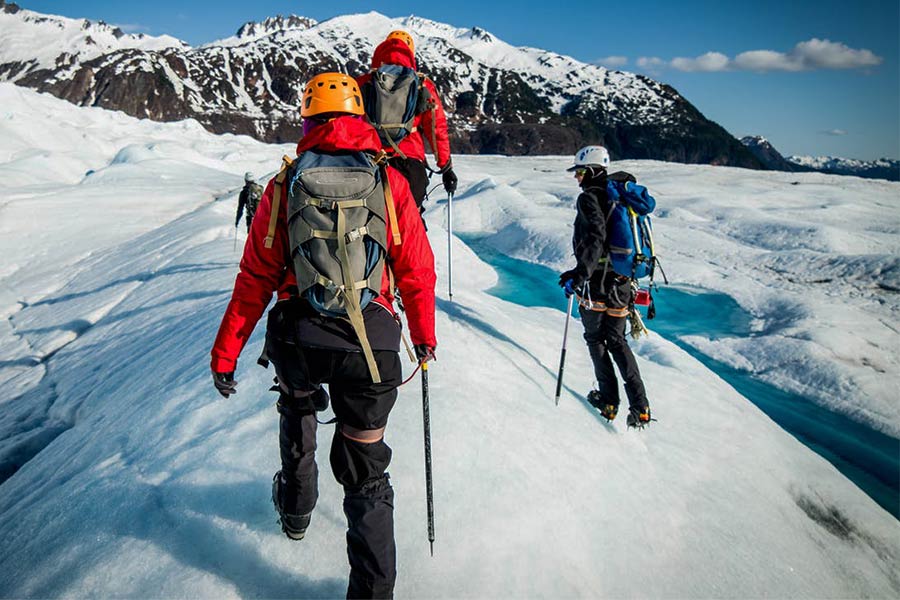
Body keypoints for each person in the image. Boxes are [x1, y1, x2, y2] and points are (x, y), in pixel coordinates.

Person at [210, 71, 437, 599]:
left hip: (299, 339)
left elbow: (255, 280)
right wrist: (424, 340)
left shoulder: (285, 183)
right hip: (372, 346)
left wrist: (226, 355)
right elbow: (417, 272)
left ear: (308, 119)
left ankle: (295, 512)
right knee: (366, 474)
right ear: (360, 117)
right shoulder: (389, 181)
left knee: (298, 410)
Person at [558, 145, 651, 428]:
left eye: (580, 172)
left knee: (595, 339)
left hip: (597, 283)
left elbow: (596, 238)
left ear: (592, 171)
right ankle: (640, 406)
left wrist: (579, 275)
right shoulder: (619, 198)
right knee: (617, 341)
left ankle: (609, 401)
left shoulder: (590, 198)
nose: (577, 178)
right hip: (622, 282)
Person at [356, 30, 457, 211]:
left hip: (371, 162)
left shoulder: (364, 83)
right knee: (409, 221)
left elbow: (349, 124)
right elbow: (436, 129)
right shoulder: (422, 85)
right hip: (410, 166)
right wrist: (446, 166)